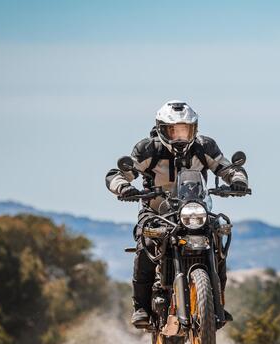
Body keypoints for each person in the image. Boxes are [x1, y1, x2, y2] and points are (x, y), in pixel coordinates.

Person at [105, 100, 249, 327]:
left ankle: (216, 301)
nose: (180, 136)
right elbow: (116, 174)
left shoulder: (205, 147)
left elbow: (226, 167)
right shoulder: (148, 150)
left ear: (195, 129)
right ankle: (141, 307)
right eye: (174, 130)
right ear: (162, 129)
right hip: (156, 211)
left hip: (195, 209)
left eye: (185, 130)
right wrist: (124, 187)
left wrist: (238, 180)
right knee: (146, 245)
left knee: (218, 241)